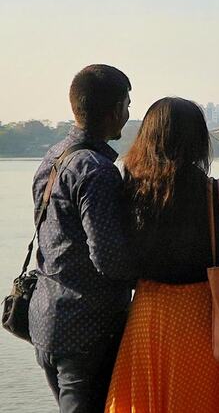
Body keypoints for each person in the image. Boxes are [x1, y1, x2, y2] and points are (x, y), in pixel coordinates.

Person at [105, 98, 219, 413]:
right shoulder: (218, 194)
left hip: (147, 319)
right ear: (199, 140)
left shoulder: (130, 192)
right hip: (204, 324)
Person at [30, 64, 135, 413]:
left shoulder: (53, 156)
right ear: (113, 112)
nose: (129, 112)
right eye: (127, 104)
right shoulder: (96, 170)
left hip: (47, 321)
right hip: (86, 333)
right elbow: (109, 261)